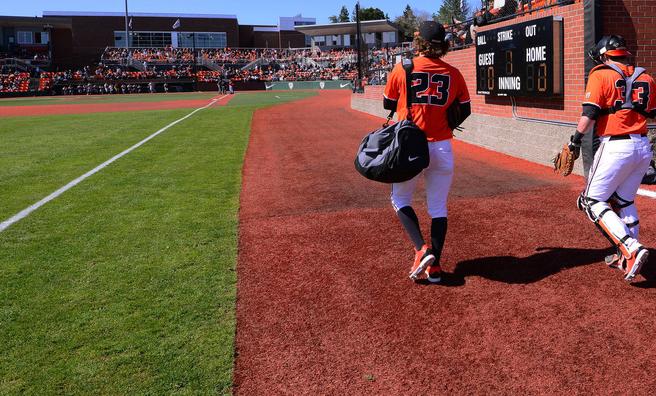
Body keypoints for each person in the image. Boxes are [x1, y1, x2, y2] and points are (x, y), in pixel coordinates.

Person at [382, 21, 471, 283]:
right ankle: (435, 266)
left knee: (400, 199)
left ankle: (422, 249)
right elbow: (465, 109)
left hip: (410, 144)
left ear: (419, 42)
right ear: (442, 45)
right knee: (438, 207)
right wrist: (445, 122)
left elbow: (387, 102)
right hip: (442, 144)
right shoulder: (453, 73)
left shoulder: (403, 67)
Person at [568, 35, 656, 281]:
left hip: (616, 145)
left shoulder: (601, 74)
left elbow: (590, 113)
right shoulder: (646, 77)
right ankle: (626, 253)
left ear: (605, 55)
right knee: (624, 201)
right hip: (642, 145)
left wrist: (574, 140)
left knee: (590, 201)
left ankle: (630, 248)